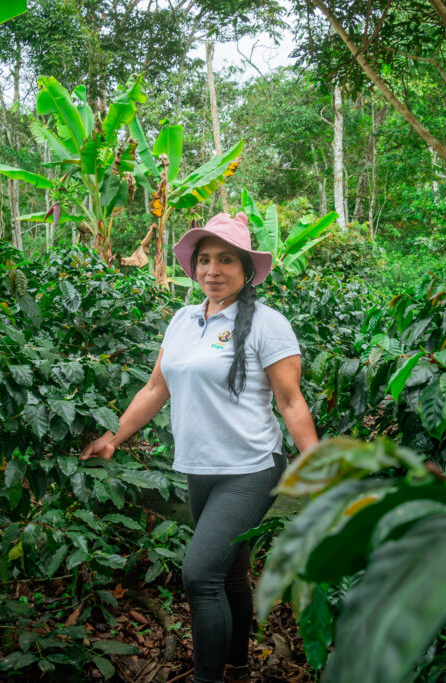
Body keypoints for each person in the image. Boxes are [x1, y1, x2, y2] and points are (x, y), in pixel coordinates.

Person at [81, 211, 318, 683]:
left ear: (247, 268)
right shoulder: (183, 320)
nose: (213, 270)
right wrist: (112, 438)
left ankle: (208, 678)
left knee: (199, 574)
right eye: (205, 260)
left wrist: (317, 464)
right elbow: (155, 389)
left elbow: (291, 401)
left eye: (226, 260)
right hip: (199, 466)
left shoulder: (269, 324)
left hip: (251, 467)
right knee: (229, 574)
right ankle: (238, 666)